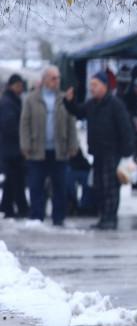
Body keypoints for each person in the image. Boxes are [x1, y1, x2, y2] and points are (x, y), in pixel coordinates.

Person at [63, 71, 134, 230]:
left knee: (111, 188)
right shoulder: (92, 104)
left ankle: (110, 217)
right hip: (97, 153)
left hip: (112, 153)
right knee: (99, 186)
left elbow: (126, 128)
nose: (92, 89)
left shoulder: (115, 104)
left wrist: (127, 153)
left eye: (95, 85)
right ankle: (103, 217)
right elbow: (79, 112)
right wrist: (70, 102)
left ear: (104, 86)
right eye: (91, 86)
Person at [20, 66, 79, 226]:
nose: (57, 81)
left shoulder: (63, 98)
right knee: (36, 185)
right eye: (53, 78)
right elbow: (25, 123)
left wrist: (73, 144)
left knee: (60, 186)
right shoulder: (32, 99)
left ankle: (58, 217)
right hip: (37, 150)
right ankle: (36, 217)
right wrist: (25, 145)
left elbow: (71, 122)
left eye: (58, 78)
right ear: (45, 79)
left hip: (59, 150)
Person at [0, 74, 29, 218]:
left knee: (13, 180)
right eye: (18, 85)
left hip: (11, 148)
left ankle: (8, 206)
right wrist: (23, 135)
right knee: (15, 180)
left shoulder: (11, 101)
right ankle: (14, 207)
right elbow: (9, 126)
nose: (21, 88)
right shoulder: (8, 103)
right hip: (12, 149)